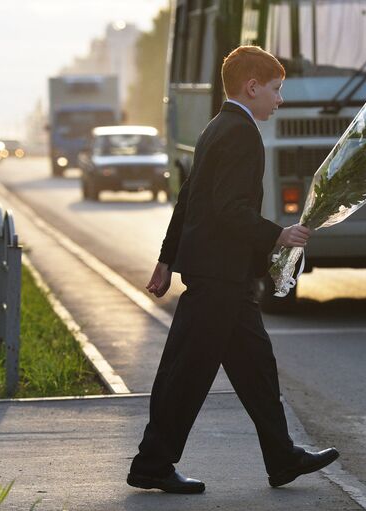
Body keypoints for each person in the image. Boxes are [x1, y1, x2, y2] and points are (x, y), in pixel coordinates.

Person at [127, 45, 339, 494]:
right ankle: (152, 464)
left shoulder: (215, 127)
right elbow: (227, 208)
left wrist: (166, 260)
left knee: (257, 368)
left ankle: (282, 457)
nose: (280, 100)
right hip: (219, 277)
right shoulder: (241, 133)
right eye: (277, 90)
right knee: (186, 375)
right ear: (253, 86)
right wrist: (278, 235)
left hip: (224, 277)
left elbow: (189, 201)